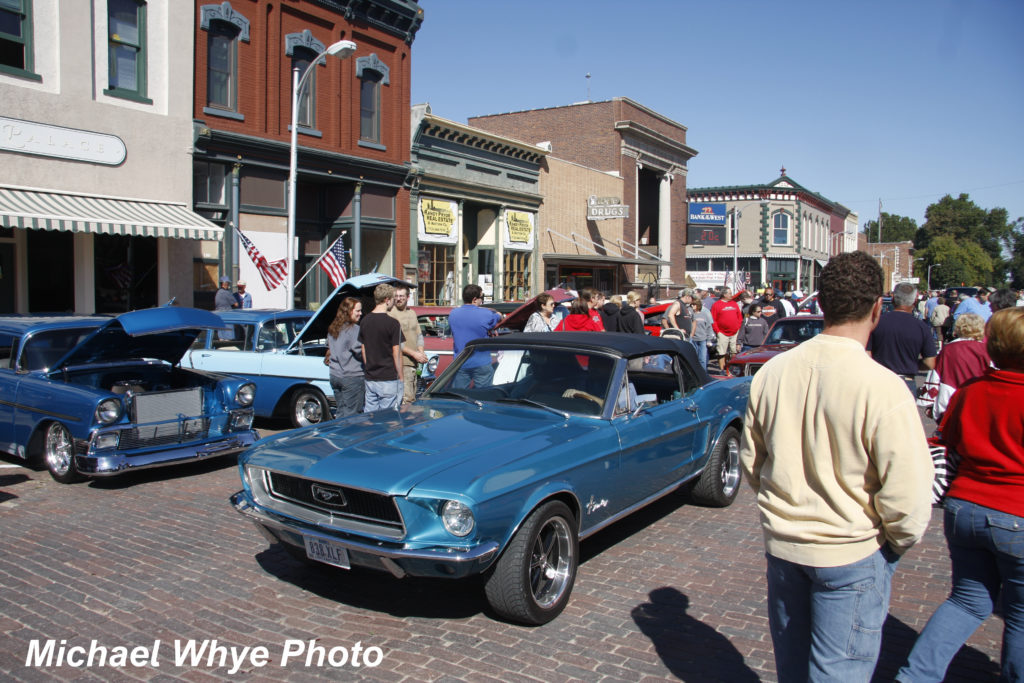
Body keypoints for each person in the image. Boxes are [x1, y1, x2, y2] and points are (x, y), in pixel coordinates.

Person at [740, 251, 933, 683]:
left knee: (793, 669)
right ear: (876, 308)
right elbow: (909, 495)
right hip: (852, 550)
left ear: (822, 303)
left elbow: (753, 462)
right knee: (838, 674)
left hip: (787, 545)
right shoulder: (884, 387)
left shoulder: (773, 372)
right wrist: (892, 546)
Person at [896, 308, 1024, 683]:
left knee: (967, 601)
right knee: (1018, 615)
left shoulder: (972, 392)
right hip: (1015, 512)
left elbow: (943, 442)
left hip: (964, 508)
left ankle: (916, 676)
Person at [867, 282, 938, 394]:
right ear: (915, 300)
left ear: (893, 299)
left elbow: (867, 354)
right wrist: (912, 363)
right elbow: (930, 363)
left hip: (879, 379)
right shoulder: (921, 328)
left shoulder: (877, 323)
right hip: (906, 381)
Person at [928, 313, 990, 423]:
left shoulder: (948, 349)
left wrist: (929, 401)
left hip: (951, 400)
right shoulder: (987, 350)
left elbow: (936, 375)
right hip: (980, 401)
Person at [358, 283, 404, 412]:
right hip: (388, 377)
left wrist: (370, 367)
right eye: (393, 299)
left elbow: (364, 349)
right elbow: (396, 352)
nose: (395, 302)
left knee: (371, 417)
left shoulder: (364, 321)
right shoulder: (393, 323)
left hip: (370, 377)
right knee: (389, 419)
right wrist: (401, 376)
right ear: (387, 300)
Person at [449, 284, 503, 389]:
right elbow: (499, 316)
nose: (481, 301)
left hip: (461, 361)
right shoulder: (486, 314)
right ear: (474, 299)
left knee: (459, 395)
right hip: (481, 362)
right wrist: (495, 311)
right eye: (481, 298)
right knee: (483, 397)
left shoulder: (453, 313)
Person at [324, 297, 364, 417]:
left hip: (335, 375)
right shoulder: (354, 330)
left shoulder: (333, 328)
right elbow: (360, 351)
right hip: (352, 377)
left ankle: (340, 434)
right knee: (352, 415)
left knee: (341, 412)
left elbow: (329, 347)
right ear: (348, 311)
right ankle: (350, 436)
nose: (360, 313)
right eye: (357, 311)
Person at [387, 284, 428, 404]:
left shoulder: (412, 313)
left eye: (401, 296)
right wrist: (414, 354)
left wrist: (420, 351)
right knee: (407, 400)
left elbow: (419, 335)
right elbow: (393, 342)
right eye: (396, 296)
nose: (398, 299)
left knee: (412, 398)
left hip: (413, 364)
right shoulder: (391, 313)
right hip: (401, 362)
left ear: (408, 297)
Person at [711, 288, 743, 373]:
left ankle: (733, 369)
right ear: (724, 294)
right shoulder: (716, 305)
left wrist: (738, 327)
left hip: (735, 332)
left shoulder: (734, 304)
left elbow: (739, 317)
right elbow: (713, 320)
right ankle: (722, 369)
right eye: (729, 293)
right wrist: (717, 331)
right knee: (722, 352)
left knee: (734, 351)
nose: (731, 295)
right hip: (722, 333)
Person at [690, 297, 715, 370]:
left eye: (694, 305)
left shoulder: (704, 314)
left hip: (703, 340)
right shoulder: (691, 315)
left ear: (698, 305)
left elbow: (709, 327)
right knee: (694, 358)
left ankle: (703, 373)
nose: (692, 306)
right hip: (693, 339)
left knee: (703, 359)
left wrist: (709, 339)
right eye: (691, 305)